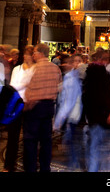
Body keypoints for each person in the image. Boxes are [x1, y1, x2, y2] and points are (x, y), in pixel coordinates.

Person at [22, 43, 62, 172]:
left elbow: (28, 88)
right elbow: (60, 87)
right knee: (46, 141)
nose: (33, 54)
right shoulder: (55, 68)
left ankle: (31, 168)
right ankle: (45, 168)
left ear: (40, 53)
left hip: (34, 108)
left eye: (34, 52)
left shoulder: (33, 69)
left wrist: (26, 105)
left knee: (30, 140)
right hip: (49, 107)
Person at [3, 45, 35, 172]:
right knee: (13, 136)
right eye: (25, 54)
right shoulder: (16, 69)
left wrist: (22, 85)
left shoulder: (36, 69)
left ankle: (28, 164)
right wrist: (25, 83)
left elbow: (32, 86)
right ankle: (9, 164)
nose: (26, 57)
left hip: (29, 105)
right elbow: (12, 86)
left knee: (29, 137)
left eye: (29, 54)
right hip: (16, 104)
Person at [82, 50, 110, 172]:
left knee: (95, 147)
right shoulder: (103, 74)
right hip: (102, 114)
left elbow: (85, 95)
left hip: (93, 115)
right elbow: (105, 96)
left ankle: (93, 169)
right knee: (103, 148)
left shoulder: (89, 73)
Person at [53, 54, 83, 170]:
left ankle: (74, 166)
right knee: (72, 142)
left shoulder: (71, 78)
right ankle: (74, 165)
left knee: (72, 143)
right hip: (74, 115)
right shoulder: (72, 77)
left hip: (72, 115)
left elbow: (69, 101)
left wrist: (58, 120)